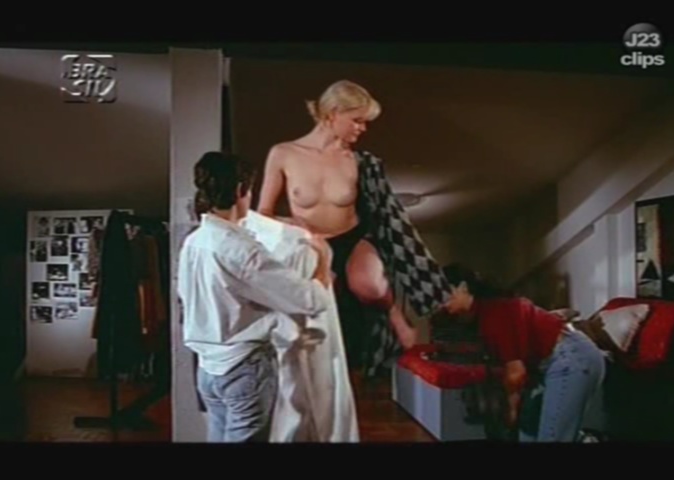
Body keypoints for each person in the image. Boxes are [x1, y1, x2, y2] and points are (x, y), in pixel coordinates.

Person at [257, 80, 447, 374]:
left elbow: (387, 213)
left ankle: (396, 315)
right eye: (357, 120)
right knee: (325, 297)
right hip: (311, 242)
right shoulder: (284, 154)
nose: (363, 128)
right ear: (333, 113)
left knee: (368, 285)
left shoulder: (358, 161)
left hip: (354, 236)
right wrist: (291, 224)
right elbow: (263, 213)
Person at [177, 151, 334, 442]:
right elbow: (310, 300)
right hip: (242, 368)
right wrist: (323, 263)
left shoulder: (194, 242)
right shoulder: (241, 250)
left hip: (208, 370)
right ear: (241, 189)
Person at [436, 267, 605, 442]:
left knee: (549, 436)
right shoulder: (480, 315)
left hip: (571, 358)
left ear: (463, 287)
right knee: (528, 431)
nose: (441, 300)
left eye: (445, 291)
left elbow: (516, 373)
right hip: (556, 360)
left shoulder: (495, 312)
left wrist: (512, 409)